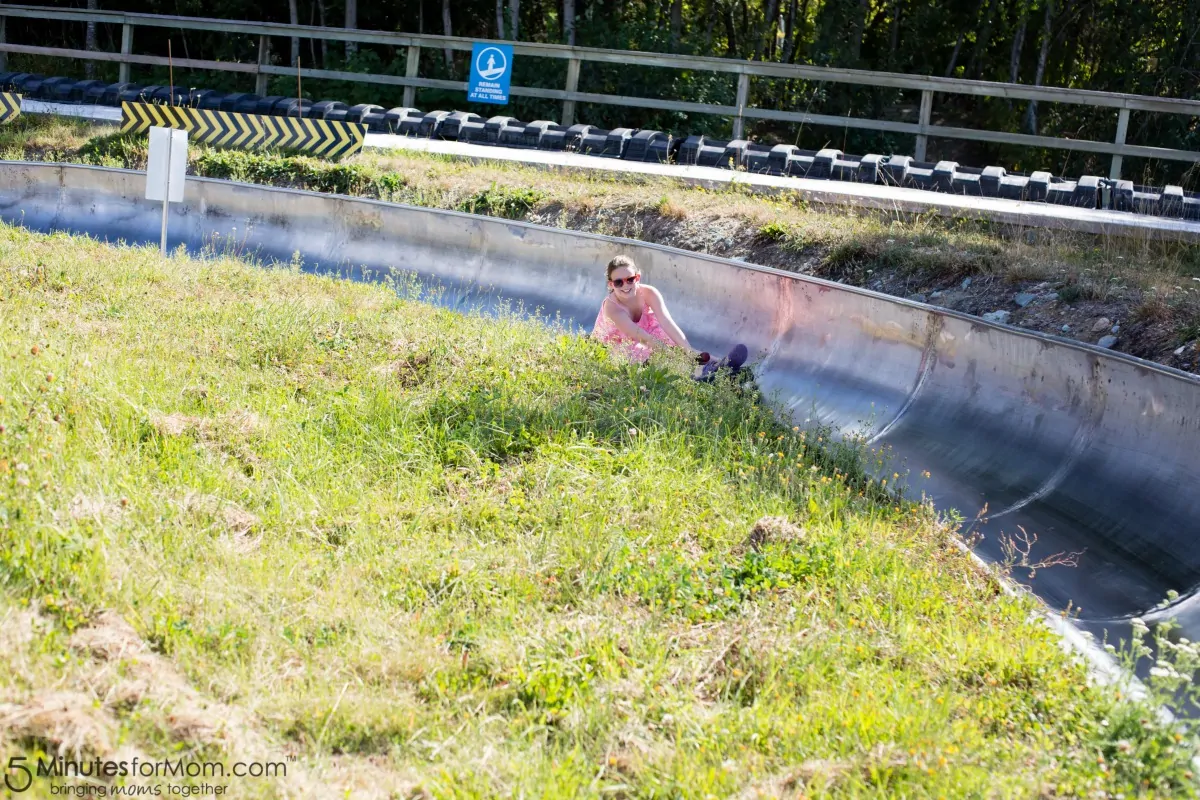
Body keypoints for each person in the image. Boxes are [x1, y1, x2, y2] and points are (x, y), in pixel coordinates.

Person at [591, 255, 748, 380]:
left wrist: (687, 350)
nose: (625, 286)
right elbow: (641, 337)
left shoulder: (649, 292)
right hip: (617, 345)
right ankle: (695, 375)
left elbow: (666, 322)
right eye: (618, 282)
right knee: (647, 352)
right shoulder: (612, 308)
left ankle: (723, 365)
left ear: (637, 277)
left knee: (678, 346)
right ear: (611, 285)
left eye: (630, 279)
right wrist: (672, 355)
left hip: (647, 332)